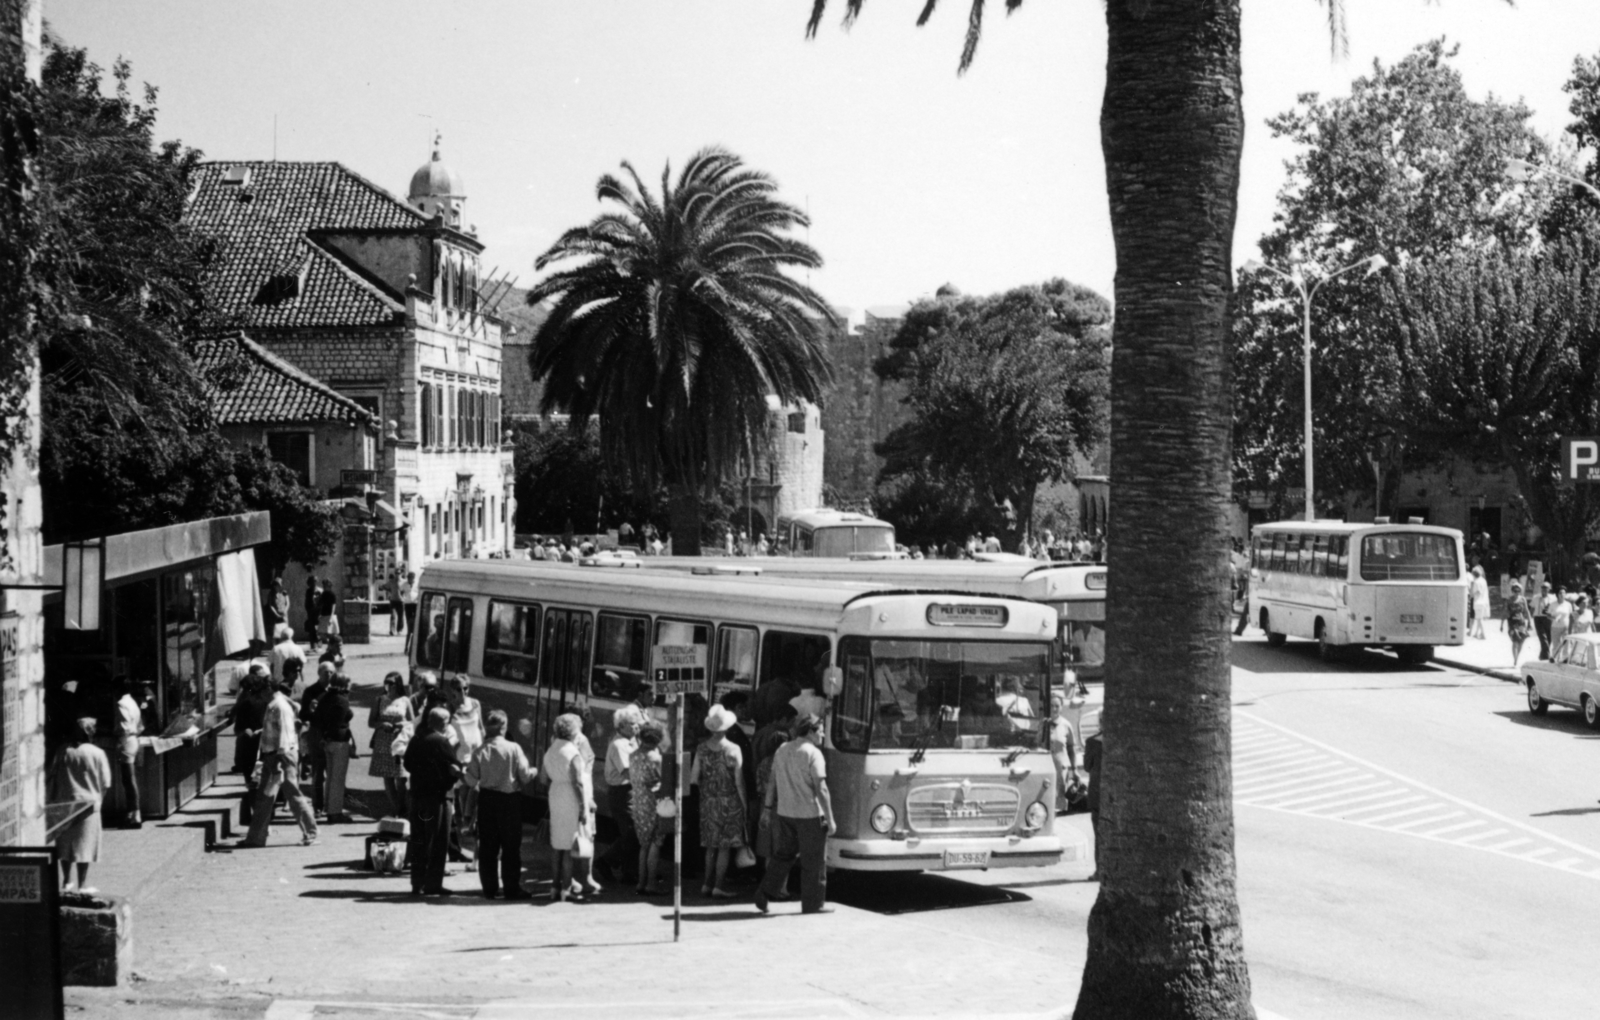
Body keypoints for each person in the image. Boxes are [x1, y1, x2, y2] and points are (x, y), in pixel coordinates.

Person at [755, 714, 835, 915]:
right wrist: (831, 819)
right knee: (814, 861)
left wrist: (766, 809)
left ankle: (764, 893)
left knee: (783, 856)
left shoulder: (782, 749)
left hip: (785, 813)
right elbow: (821, 788)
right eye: (821, 729)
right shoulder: (813, 753)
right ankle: (813, 905)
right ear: (810, 731)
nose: (823, 734)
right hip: (809, 815)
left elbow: (772, 782)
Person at [239, 677, 319, 848]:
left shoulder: (278, 706)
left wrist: (277, 764)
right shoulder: (275, 704)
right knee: (265, 797)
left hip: (280, 757)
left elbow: (284, 735)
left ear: (266, 690)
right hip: (274, 756)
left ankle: (310, 832)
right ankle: (255, 838)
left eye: (256, 694)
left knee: (291, 795)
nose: (255, 698)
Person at [465, 709, 536, 899]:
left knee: (488, 846)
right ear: (504, 727)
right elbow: (525, 776)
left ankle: (489, 888)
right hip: (509, 801)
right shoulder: (514, 749)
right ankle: (511, 888)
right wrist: (534, 771)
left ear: (488, 729)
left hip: (487, 800)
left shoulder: (480, 751)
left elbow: (471, 781)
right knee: (511, 846)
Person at [690, 704, 748, 899]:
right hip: (730, 802)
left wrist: (708, 789)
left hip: (708, 802)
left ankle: (706, 884)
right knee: (724, 847)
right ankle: (719, 886)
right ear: (726, 727)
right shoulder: (734, 749)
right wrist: (745, 805)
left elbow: (693, 778)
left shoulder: (701, 749)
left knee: (710, 847)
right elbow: (739, 781)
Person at [50, 717, 113, 893]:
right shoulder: (97, 753)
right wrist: (99, 799)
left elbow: (52, 776)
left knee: (64, 844)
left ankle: (66, 882)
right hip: (89, 804)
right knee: (85, 845)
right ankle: (83, 884)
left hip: (65, 802)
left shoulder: (63, 751)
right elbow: (106, 783)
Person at [403, 707, 462, 896]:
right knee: (437, 841)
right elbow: (455, 767)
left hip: (418, 797)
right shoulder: (442, 742)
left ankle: (416, 882)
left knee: (419, 840)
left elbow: (407, 764)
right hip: (437, 799)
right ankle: (433, 884)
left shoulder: (417, 739)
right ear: (443, 723)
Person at [543, 713, 592, 902]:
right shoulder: (572, 752)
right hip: (570, 797)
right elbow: (578, 782)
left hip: (555, 793)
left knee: (557, 845)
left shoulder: (551, 749)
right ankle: (567, 888)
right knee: (570, 845)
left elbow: (545, 776)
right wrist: (583, 808)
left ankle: (554, 887)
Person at [596, 704, 644, 885]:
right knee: (632, 831)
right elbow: (628, 772)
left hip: (630, 791)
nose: (636, 727)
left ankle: (628, 872)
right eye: (632, 724)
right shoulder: (619, 745)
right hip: (622, 792)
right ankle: (607, 861)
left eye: (637, 724)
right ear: (621, 726)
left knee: (633, 832)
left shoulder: (632, 741)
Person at [629, 722, 671, 895]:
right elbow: (665, 781)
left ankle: (641, 882)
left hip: (638, 802)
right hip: (654, 803)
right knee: (655, 842)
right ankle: (651, 884)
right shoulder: (656, 758)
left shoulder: (633, 755)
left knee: (644, 845)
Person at [448, 675, 485, 859]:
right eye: (460, 689)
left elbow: (481, 728)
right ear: (453, 690)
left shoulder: (475, 704)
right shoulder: (450, 709)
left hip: (477, 755)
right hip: (461, 757)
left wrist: (486, 749)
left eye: (466, 689)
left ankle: (468, 828)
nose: (463, 693)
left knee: (474, 791)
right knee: (462, 795)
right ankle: (464, 833)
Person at [369, 672, 415, 817]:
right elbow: (371, 722)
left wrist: (403, 725)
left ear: (398, 684)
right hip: (383, 741)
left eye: (391, 682)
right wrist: (382, 724)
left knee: (401, 778)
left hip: (400, 741)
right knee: (388, 778)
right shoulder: (379, 699)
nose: (388, 685)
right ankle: (397, 810)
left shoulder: (405, 700)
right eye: (386, 682)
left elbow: (413, 722)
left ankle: (401, 806)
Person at [312, 672, 355, 823]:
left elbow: (318, 718)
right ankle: (335, 812)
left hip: (327, 740)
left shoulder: (325, 697)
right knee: (338, 778)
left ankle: (329, 808)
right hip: (339, 740)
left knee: (330, 777)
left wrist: (324, 735)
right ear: (344, 684)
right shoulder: (342, 700)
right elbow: (340, 720)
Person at [233, 668, 272, 825]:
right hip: (266, 746)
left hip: (249, 747)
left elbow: (239, 728)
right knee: (264, 782)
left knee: (252, 782)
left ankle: (257, 819)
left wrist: (247, 731)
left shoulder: (245, 703)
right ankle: (266, 816)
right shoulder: (267, 701)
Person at [300, 662, 335, 814]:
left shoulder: (336, 691)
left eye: (332, 672)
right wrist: (310, 710)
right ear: (319, 673)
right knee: (318, 772)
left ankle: (332, 806)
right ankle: (318, 806)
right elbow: (303, 715)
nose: (329, 675)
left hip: (332, 735)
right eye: (326, 672)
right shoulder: (311, 691)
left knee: (333, 773)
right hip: (317, 733)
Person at [113, 676, 143, 828]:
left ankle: (135, 815)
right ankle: (132, 813)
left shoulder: (121, 704)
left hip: (126, 742)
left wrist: (113, 732)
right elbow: (140, 725)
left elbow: (124, 727)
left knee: (129, 780)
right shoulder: (132, 702)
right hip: (133, 740)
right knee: (129, 780)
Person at [1047, 691, 1081, 812]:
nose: (1054, 709)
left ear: (1061, 707)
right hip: (1045, 767)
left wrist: (1074, 770)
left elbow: (1071, 748)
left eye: (1057, 706)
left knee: (1060, 802)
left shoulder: (1066, 725)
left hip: (1061, 769)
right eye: (1051, 705)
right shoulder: (1042, 724)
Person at [1534, 581, 1556, 660]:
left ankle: (1542, 656)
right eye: (1543, 588)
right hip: (1538, 618)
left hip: (1548, 619)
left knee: (1549, 639)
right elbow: (1532, 608)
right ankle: (1546, 657)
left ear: (1549, 589)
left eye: (1546, 588)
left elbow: (1555, 608)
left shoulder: (1553, 598)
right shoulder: (1536, 597)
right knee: (1543, 639)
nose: (1544, 590)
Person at [1468, 566, 1491, 640]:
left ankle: (1483, 634)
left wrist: (1471, 594)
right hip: (1484, 602)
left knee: (1479, 619)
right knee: (1479, 618)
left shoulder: (1476, 582)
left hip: (1477, 602)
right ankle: (1476, 633)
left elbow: (1476, 592)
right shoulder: (1483, 580)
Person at [316, 578, 339, 647]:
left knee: (331, 633)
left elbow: (333, 607)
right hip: (323, 615)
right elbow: (320, 604)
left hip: (329, 616)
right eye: (323, 585)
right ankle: (324, 646)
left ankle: (332, 646)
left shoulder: (332, 595)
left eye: (325, 585)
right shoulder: (323, 594)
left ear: (328, 586)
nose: (323, 587)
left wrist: (331, 617)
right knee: (321, 633)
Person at [1550, 585, 1573, 653]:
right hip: (1555, 627)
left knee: (1566, 645)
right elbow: (1548, 615)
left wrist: (1570, 629)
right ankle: (1555, 660)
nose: (1562, 594)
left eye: (1564, 593)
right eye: (1560, 593)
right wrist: (1554, 618)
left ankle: (1564, 660)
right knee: (1556, 646)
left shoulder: (1568, 604)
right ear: (1557, 594)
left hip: (1565, 628)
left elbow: (1571, 616)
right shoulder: (1552, 604)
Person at [384, 571, 405, 636]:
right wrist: (390, 591)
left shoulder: (403, 581)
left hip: (401, 601)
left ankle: (399, 630)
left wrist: (403, 594)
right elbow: (384, 586)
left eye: (399, 574)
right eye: (396, 574)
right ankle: (392, 630)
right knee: (393, 616)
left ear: (401, 574)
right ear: (394, 574)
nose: (397, 575)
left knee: (400, 616)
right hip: (393, 600)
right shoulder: (391, 581)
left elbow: (406, 589)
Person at [303, 576, 320, 651]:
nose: (314, 583)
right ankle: (313, 645)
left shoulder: (319, 591)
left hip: (318, 612)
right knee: (311, 629)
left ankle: (318, 645)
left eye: (315, 581)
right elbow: (307, 602)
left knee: (318, 629)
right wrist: (308, 610)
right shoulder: (308, 591)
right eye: (312, 581)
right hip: (311, 613)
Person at [402, 572, 419, 639]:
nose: (410, 579)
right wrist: (403, 599)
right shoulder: (404, 584)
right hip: (408, 604)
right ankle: (409, 631)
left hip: (415, 604)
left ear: (413, 578)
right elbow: (401, 592)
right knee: (408, 619)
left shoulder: (417, 584)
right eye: (409, 578)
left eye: (412, 578)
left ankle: (415, 631)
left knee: (415, 619)